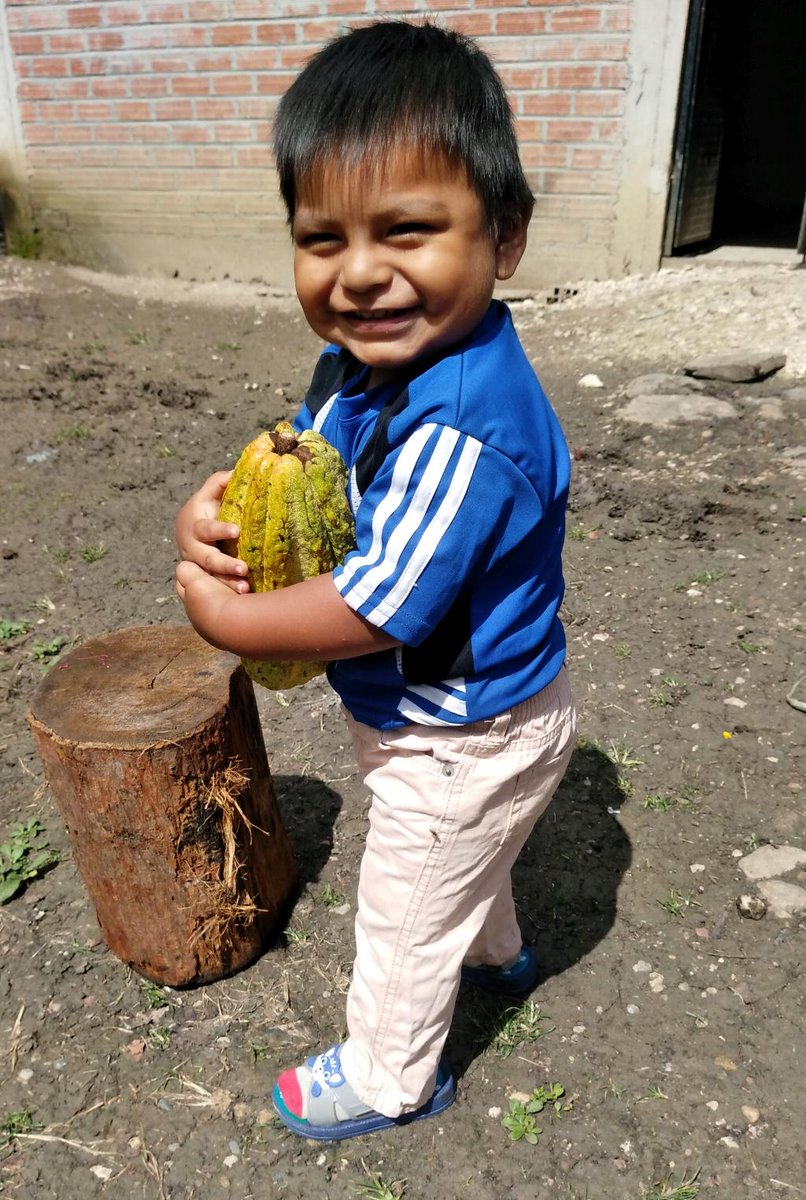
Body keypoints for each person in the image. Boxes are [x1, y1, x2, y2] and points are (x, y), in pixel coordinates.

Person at [175, 19, 576, 1142]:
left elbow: (375, 605)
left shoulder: (460, 427)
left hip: (461, 732)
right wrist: (212, 519)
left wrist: (230, 618)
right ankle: (498, 954)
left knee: (404, 908)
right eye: (321, 239)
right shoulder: (361, 368)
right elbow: (299, 465)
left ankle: (394, 1076)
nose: (358, 274)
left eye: (406, 230)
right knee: (465, 861)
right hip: (451, 720)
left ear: (503, 239)